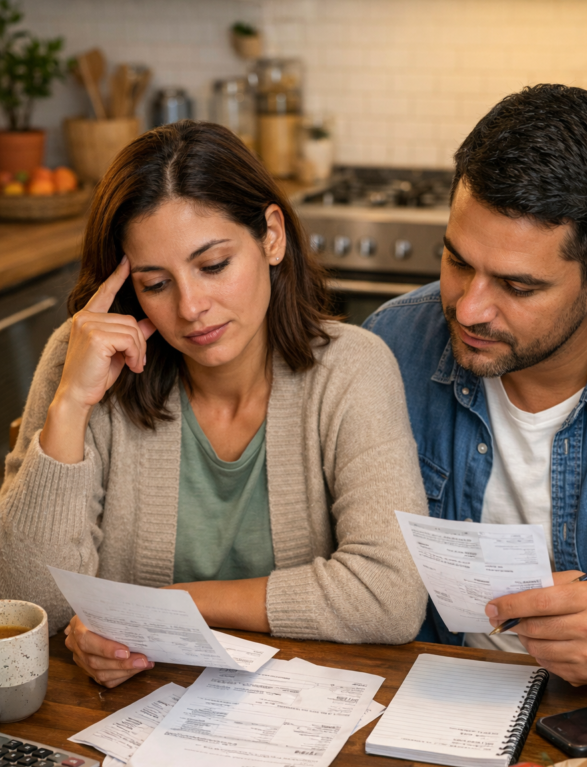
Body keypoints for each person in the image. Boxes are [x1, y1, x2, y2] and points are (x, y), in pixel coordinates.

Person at [0, 120, 427, 688]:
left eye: (213, 265)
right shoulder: (82, 360)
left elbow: (391, 596)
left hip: (307, 718)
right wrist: (71, 403)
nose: (191, 306)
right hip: (126, 715)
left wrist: (170, 606)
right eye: (156, 284)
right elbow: (29, 608)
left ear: (271, 236)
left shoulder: (353, 369)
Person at [365, 83, 587, 687]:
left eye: (517, 286)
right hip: (425, 725)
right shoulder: (390, 348)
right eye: (457, 261)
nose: (468, 309)